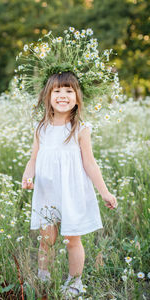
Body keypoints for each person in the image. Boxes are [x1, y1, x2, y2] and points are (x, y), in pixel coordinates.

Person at [21, 71, 118, 297]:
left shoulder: (80, 129)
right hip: (47, 190)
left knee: (72, 239)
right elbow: (33, 158)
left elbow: (90, 164)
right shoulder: (41, 128)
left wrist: (104, 192)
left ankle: (74, 282)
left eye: (68, 90)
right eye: (57, 90)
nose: (62, 95)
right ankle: (43, 276)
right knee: (47, 238)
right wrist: (28, 177)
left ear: (77, 97)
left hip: (72, 191)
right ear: (48, 95)